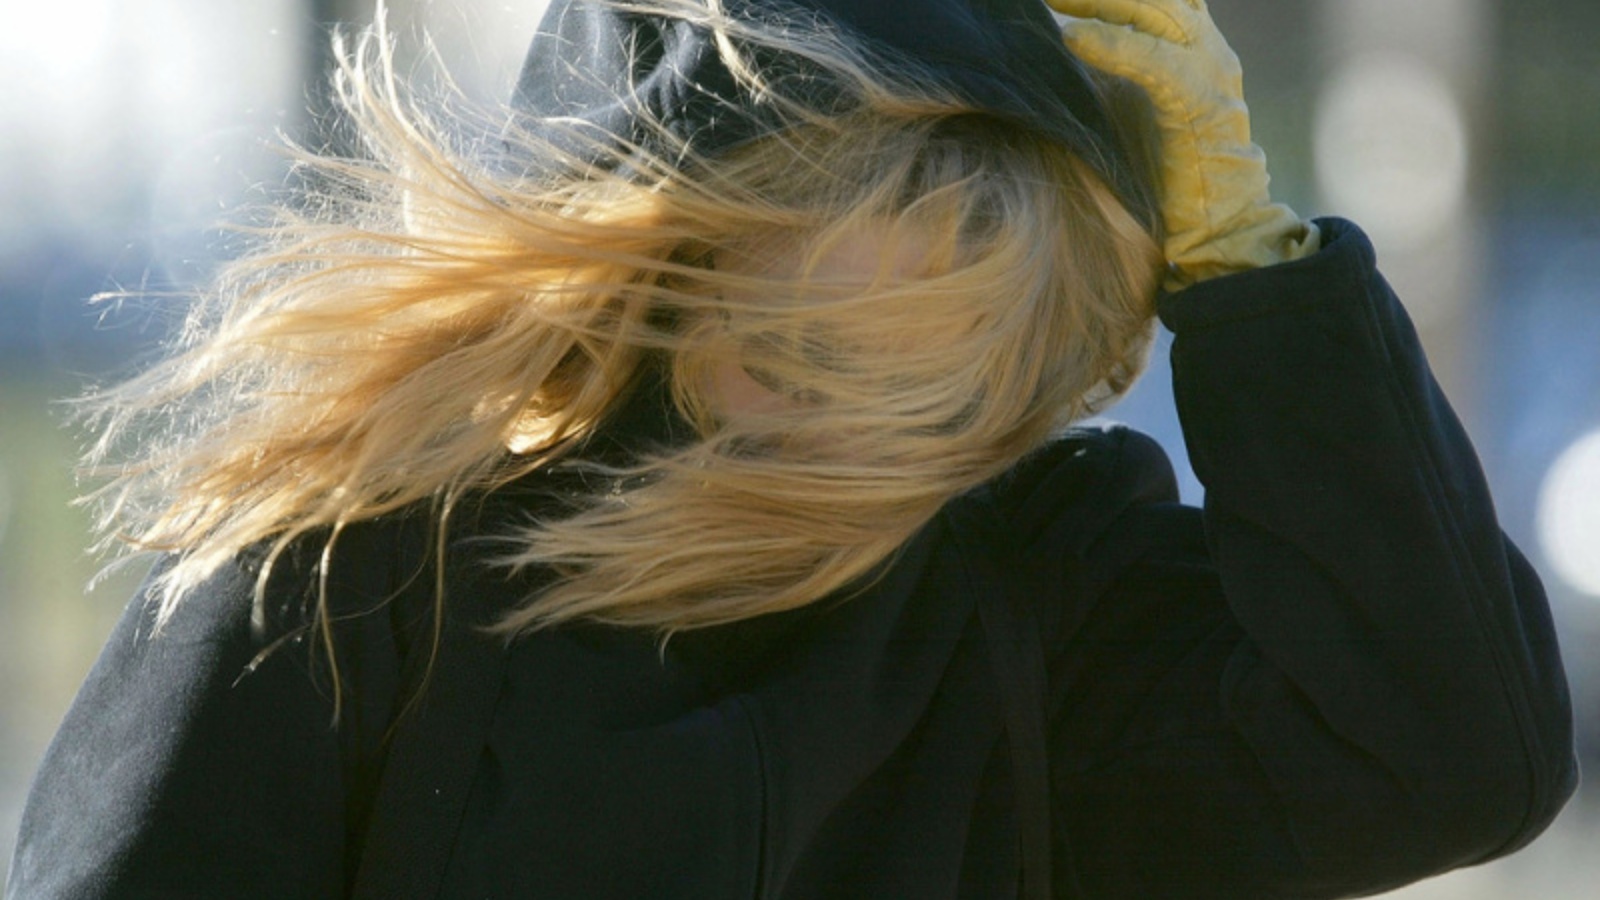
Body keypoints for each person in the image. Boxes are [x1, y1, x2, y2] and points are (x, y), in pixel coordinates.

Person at [5, 0, 1577, 897]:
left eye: (936, 375)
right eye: (793, 346)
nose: (843, 426)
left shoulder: (1032, 598)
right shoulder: (347, 588)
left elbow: (1453, 761)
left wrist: (1253, 267)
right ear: (649, 261)